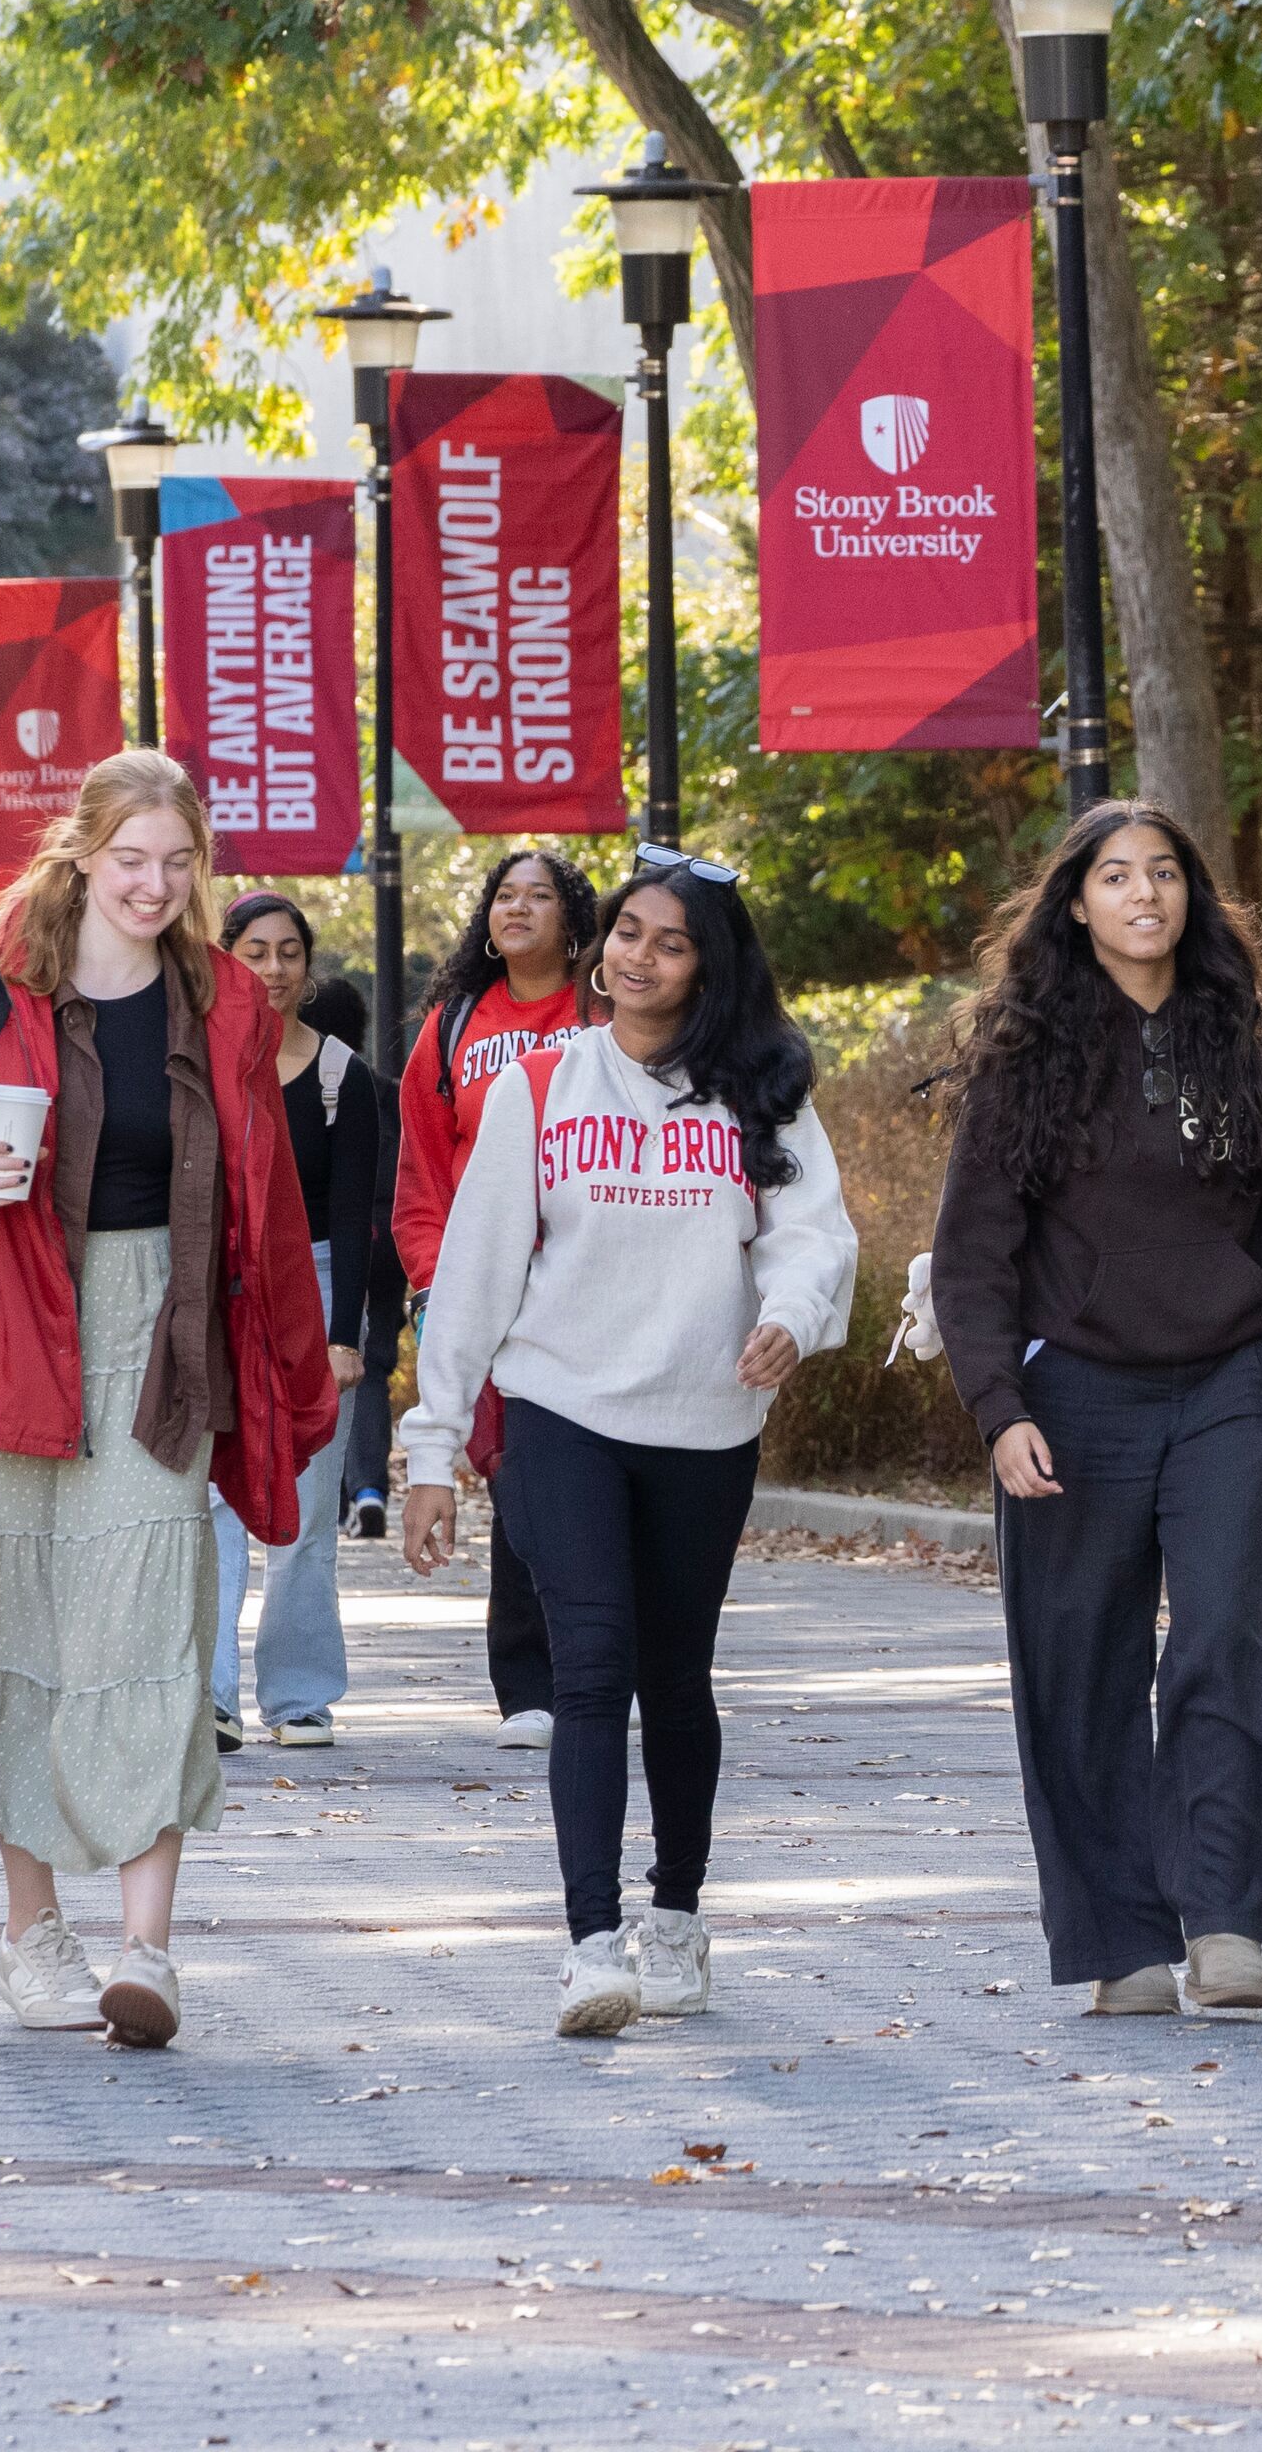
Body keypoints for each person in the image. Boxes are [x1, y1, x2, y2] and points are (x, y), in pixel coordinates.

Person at [0, 749, 335, 2050]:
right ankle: (31, 1934)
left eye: (179, 864)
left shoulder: (225, 1000)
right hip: (10, 1339)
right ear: (83, 854)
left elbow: (269, 1206)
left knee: (157, 1638)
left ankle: (147, 1951)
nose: (156, 885)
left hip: (164, 1347)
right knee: (21, 1638)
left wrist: (296, 1376)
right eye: (131, 861)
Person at [930, 801, 1262, 2020]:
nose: (1145, 895)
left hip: (1230, 1380)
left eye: (1166, 873)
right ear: (1074, 901)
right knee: (1078, 1662)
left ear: (1193, 895)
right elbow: (972, 1249)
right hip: (1073, 1390)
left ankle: (1227, 1916)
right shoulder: (1025, 1049)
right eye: (1117, 876)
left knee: (1229, 1636)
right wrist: (998, 1404)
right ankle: (1120, 1934)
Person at [407, 850, 854, 2037]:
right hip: (561, 1410)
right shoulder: (542, 1086)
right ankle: (590, 1942)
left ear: (710, 965)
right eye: (628, 933)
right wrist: (430, 1448)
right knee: (591, 1665)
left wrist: (788, 1318)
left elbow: (817, 1235)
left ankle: (678, 1912)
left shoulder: (763, 1092)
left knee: (678, 1677)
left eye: (671, 940)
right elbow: (472, 1278)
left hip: (704, 1419)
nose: (638, 955)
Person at [394, 847, 606, 1750]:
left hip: (590, 1288)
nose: (517, 909)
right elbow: (422, 1168)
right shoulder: (453, 1025)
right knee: (516, 1477)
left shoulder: (606, 1014)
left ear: (574, 919)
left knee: (587, 1483)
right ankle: (528, 1684)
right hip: (481, 1291)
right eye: (503, 896)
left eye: (539, 896)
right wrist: (434, 1281)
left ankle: (597, 1670)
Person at [209, 892, 380, 1746]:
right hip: (217, 1288)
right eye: (253, 951)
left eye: (288, 953)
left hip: (310, 1285)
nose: (272, 969)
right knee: (208, 1499)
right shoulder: (196, 1058)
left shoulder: (340, 1074)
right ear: (223, 956)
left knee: (309, 1507)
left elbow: (355, 1219)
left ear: (307, 967)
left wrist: (345, 1335)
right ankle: (206, 1696)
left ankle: (300, 1693)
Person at [303, 973, 402, 1537]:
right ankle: (368, 1488)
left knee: (325, 1364)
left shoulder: (308, 1087)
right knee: (372, 1366)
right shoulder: (381, 1088)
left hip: (336, 1242)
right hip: (389, 1244)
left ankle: (334, 1494)